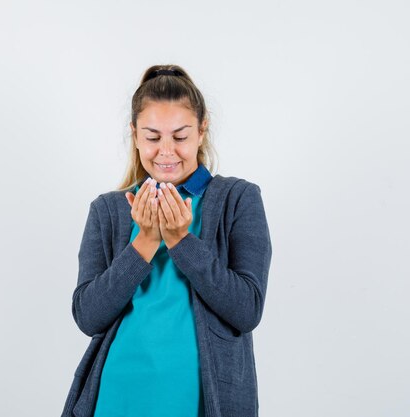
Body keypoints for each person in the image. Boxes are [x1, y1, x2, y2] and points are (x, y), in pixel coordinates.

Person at [61, 65, 272, 417]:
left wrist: (180, 241)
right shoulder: (108, 210)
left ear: (202, 131)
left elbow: (247, 310)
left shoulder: (239, 199)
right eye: (153, 137)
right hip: (118, 396)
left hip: (199, 401)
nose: (167, 151)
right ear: (135, 134)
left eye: (180, 136)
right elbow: (88, 317)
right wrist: (143, 242)